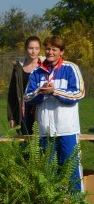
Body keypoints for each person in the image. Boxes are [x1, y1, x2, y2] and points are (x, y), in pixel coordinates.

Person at [25, 35, 85, 191]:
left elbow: (79, 93)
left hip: (67, 129)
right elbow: (27, 97)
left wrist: (55, 92)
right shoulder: (37, 72)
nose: (50, 52)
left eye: (54, 49)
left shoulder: (71, 68)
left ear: (62, 51)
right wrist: (41, 92)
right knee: (47, 174)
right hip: (45, 130)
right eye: (48, 49)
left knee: (71, 171)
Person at [7, 36, 43, 135]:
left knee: (40, 142)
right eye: (31, 48)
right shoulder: (18, 67)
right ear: (26, 49)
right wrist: (11, 116)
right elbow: (12, 92)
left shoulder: (45, 66)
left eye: (37, 48)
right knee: (25, 141)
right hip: (23, 110)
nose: (33, 51)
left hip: (41, 108)